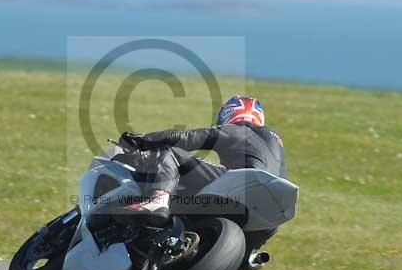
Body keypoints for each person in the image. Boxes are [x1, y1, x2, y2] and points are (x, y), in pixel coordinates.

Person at [117, 95, 286, 233]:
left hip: (244, 183)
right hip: (273, 212)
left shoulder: (235, 129)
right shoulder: (276, 141)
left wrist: (142, 139)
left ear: (229, 115)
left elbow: (182, 138)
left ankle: (157, 202)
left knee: (169, 151)